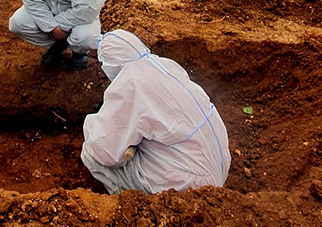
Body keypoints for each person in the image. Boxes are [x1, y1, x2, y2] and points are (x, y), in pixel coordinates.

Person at [81, 30, 231, 194]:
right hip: (218, 166)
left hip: (188, 186)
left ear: (109, 64)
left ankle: (130, 203)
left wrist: (92, 126)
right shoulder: (165, 65)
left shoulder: (130, 83)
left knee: (91, 152)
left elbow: (106, 153)